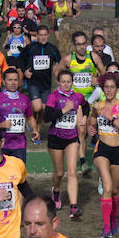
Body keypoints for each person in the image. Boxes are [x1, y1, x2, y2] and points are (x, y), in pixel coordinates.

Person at [88, 72, 119, 238]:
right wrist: (92, 128)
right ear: (102, 88)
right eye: (106, 87)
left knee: (115, 190)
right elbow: (92, 117)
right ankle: (106, 227)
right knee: (106, 187)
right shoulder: (98, 105)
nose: (109, 90)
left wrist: (111, 118)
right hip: (102, 149)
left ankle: (114, 218)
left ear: (117, 89)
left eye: (112, 87)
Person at [44, 69, 89, 218]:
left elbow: (86, 105)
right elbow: (47, 117)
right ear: (58, 82)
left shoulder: (77, 96)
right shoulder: (53, 96)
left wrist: (85, 117)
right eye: (63, 81)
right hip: (55, 137)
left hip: (71, 137)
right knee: (59, 173)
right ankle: (56, 192)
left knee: (72, 172)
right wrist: (64, 110)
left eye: (68, 81)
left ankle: (74, 206)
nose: (65, 84)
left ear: (72, 82)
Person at [60, 31, 105, 178]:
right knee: (81, 130)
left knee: (85, 131)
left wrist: (98, 79)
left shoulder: (94, 57)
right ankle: (83, 161)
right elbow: (58, 73)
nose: (81, 47)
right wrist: (65, 86)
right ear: (74, 45)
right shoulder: (68, 59)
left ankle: (80, 151)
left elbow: (105, 76)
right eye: (78, 44)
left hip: (91, 99)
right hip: (76, 100)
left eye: (84, 44)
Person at [0, 69, 38, 162]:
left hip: (20, 145)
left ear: (19, 82)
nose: (13, 83)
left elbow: (30, 117)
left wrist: (35, 130)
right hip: (1, 145)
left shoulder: (24, 99)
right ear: (4, 81)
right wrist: (1, 125)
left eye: (15, 80)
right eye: (10, 80)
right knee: (1, 175)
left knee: (18, 175)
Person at [22, 24, 62, 140]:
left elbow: (59, 63)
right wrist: (25, 71)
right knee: (37, 108)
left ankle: (36, 132)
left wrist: (58, 75)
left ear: (48, 35)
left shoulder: (53, 49)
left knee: (44, 110)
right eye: (41, 35)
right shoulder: (31, 48)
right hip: (33, 83)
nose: (43, 37)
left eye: (45, 35)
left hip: (46, 85)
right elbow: (20, 59)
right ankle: (31, 119)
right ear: (37, 36)